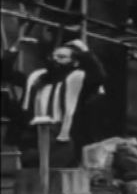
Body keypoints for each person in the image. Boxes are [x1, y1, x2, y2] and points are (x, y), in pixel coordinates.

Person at [19, 38, 106, 168]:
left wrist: (85, 52)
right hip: (35, 133)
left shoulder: (77, 80)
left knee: (57, 171)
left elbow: (98, 76)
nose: (55, 60)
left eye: (61, 57)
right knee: (31, 170)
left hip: (61, 136)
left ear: (74, 62)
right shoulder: (38, 79)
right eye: (53, 56)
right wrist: (16, 47)